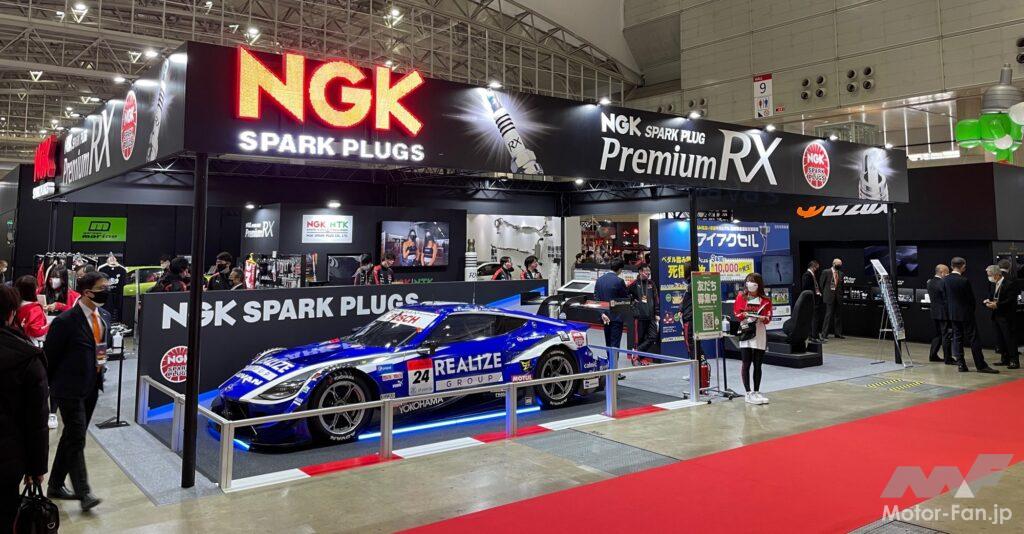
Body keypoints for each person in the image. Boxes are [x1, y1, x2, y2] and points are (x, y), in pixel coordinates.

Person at [44, 271, 111, 511]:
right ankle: (84, 492)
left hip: (92, 386)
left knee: (72, 436)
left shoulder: (104, 317)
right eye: (102, 287)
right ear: (87, 292)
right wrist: (52, 389)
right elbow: (49, 357)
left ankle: (55, 484)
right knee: (77, 437)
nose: (107, 291)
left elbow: (101, 348)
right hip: (68, 389)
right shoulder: (65, 321)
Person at [0, 284, 50, 531]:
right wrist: (36, 467)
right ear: (11, 313)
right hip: (7, 460)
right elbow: (36, 420)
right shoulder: (27, 358)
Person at [944, 257, 998, 374]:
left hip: (953, 314)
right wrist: (971, 310)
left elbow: (945, 298)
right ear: (963, 266)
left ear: (952, 266)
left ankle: (961, 365)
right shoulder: (964, 280)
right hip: (966, 313)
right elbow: (970, 299)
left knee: (957, 338)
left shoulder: (945, 280)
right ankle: (980, 365)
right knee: (974, 339)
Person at [734, 273, 773, 405]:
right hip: (746, 331)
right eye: (748, 281)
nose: (750, 283)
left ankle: (756, 391)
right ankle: (748, 393)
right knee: (746, 363)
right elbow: (737, 313)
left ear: (758, 284)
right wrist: (744, 315)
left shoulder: (765, 300)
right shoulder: (741, 297)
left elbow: (769, 317)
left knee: (758, 364)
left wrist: (763, 318)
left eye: (753, 281)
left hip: (760, 332)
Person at [984, 264, 1020, 369]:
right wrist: (988, 301)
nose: (989, 277)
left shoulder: (1009, 284)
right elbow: (992, 296)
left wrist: (997, 305)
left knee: (1009, 338)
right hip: (996, 315)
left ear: (996, 275)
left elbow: (1010, 300)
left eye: (989, 275)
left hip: (1006, 316)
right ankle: (1004, 359)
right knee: (1000, 338)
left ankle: (1014, 360)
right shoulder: (993, 284)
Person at [595, 259, 630, 363]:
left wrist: (602, 313)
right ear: (620, 269)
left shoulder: (599, 280)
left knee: (608, 342)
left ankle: (610, 364)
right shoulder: (619, 281)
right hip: (616, 317)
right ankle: (614, 367)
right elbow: (625, 299)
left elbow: (596, 299)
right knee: (615, 344)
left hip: (604, 316)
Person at [628, 264, 659, 361]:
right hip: (640, 316)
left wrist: (657, 313)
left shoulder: (651, 284)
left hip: (651, 316)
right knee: (640, 338)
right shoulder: (634, 284)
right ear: (640, 272)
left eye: (649, 271)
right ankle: (639, 358)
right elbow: (625, 296)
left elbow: (656, 299)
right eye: (646, 271)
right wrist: (632, 302)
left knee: (653, 337)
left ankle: (637, 353)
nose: (648, 273)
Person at [926, 264, 954, 364]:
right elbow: (946, 299)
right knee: (946, 335)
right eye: (947, 272)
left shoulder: (930, 282)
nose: (948, 274)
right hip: (944, 313)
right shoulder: (943, 283)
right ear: (942, 272)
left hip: (934, 312)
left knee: (937, 335)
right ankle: (948, 358)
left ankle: (933, 355)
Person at [15, 275, 48, 342]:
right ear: (34, 290)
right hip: (31, 342)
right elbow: (36, 331)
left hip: (16, 339)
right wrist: (49, 326)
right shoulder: (35, 308)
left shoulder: (14, 304)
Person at [819, 258, 845, 340]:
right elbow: (821, 284)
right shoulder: (826, 272)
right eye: (838, 264)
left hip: (838, 297)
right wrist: (825, 294)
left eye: (840, 265)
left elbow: (842, 286)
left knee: (838, 316)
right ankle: (824, 334)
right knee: (828, 315)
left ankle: (838, 333)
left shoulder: (841, 274)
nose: (839, 266)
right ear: (834, 264)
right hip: (829, 297)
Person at [98, 254, 127, 322]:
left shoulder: (123, 270)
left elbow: (124, 283)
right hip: (106, 295)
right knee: (106, 312)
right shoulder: (101, 269)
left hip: (118, 294)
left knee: (118, 311)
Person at [801, 260, 823, 343]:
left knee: (814, 318)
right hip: (811, 300)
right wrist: (814, 294)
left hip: (816, 298)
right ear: (813, 267)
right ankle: (814, 336)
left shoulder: (812, 274)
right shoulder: (807, 275)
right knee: (814, 318)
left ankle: (813, 335)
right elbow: (805, 288)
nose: (817, 269)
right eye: (816, 267)